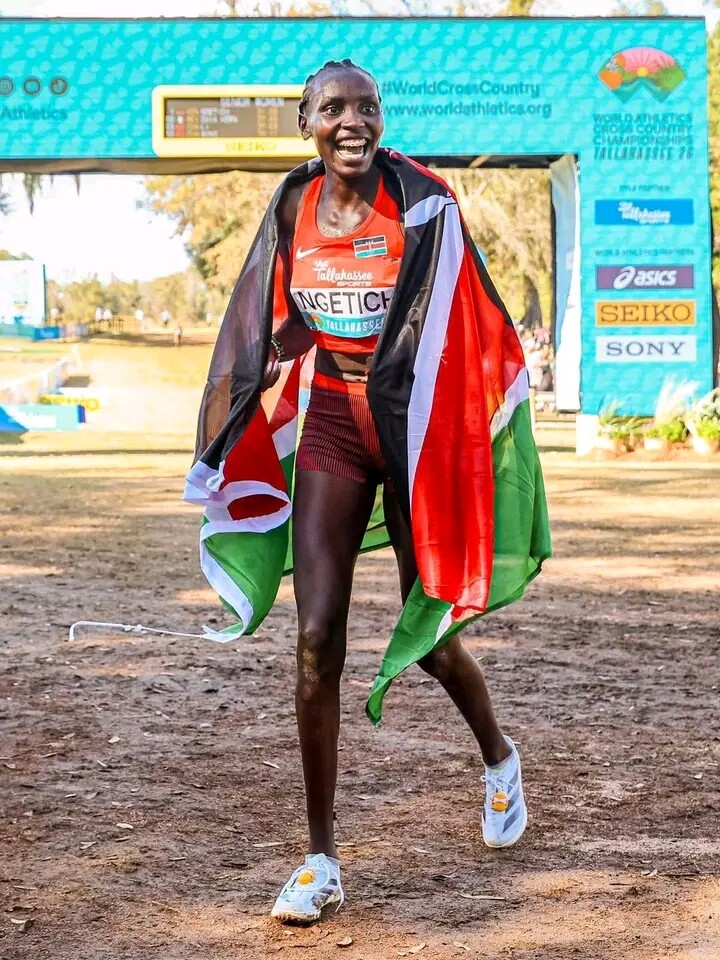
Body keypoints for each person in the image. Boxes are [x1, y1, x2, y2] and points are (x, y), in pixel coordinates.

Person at [185, 60, 550, 926]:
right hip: (336, 426)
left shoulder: (425, 205)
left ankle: (499, 758)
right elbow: (290, 315)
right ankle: (320, 860)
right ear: (306, 121)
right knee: (316, 639)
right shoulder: (292, 206)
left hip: (420, 432)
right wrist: (259, 369)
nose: (354, 121)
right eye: (335, 108)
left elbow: (467, 318)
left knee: (429, 636)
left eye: (368, 107)